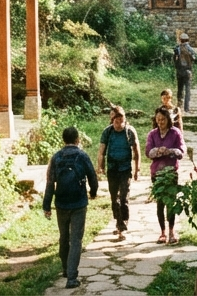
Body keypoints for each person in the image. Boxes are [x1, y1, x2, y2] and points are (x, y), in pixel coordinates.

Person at [43, 126, 99, 289]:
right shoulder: (82, 155)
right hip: (79, 202)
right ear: (77, 140)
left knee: (64, 237)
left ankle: (66, 269)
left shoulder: (56, 157)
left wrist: (47, 205)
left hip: (61, 203)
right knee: (76, 239)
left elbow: (50, 182)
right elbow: (92, 175)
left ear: (63, 140)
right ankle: (72, 277)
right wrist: (93, 192)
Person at [97, 105, 140, 240]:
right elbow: (101, 151)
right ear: (112, 120)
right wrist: (101, 167)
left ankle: (123, 224)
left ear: (125, 120)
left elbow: (136, 151)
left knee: (123, 198)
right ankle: (118, 221)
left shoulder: (129, 132)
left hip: (125, 169)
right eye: (116, 121)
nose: (118, 124)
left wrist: (137, 169)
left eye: (121, 121)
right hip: (112, 169)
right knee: (113, 198)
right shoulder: (107, 132)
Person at [146, 105, 185, 244]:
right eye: (158, 120)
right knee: (160, 203)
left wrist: (170, 151)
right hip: (157, 173)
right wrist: (158, 150)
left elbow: (181, 151)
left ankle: (171, 231)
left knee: (171, 203)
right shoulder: (152, 134)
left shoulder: (175, 133)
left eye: (163, 119)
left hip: (170, 172)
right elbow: (148, 152)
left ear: (168, 120)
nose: (160, 122)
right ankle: (162, 232)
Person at [173, 32, 196, 113]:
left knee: (180, 89)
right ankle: (186, 108)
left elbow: (174, 60)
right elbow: (194, 58)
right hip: (187, 71)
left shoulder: (177, 49)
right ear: (187, 40)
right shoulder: (189, 49)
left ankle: (179, 107)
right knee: (187, 90)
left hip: (179, 71)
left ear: (180, 40)